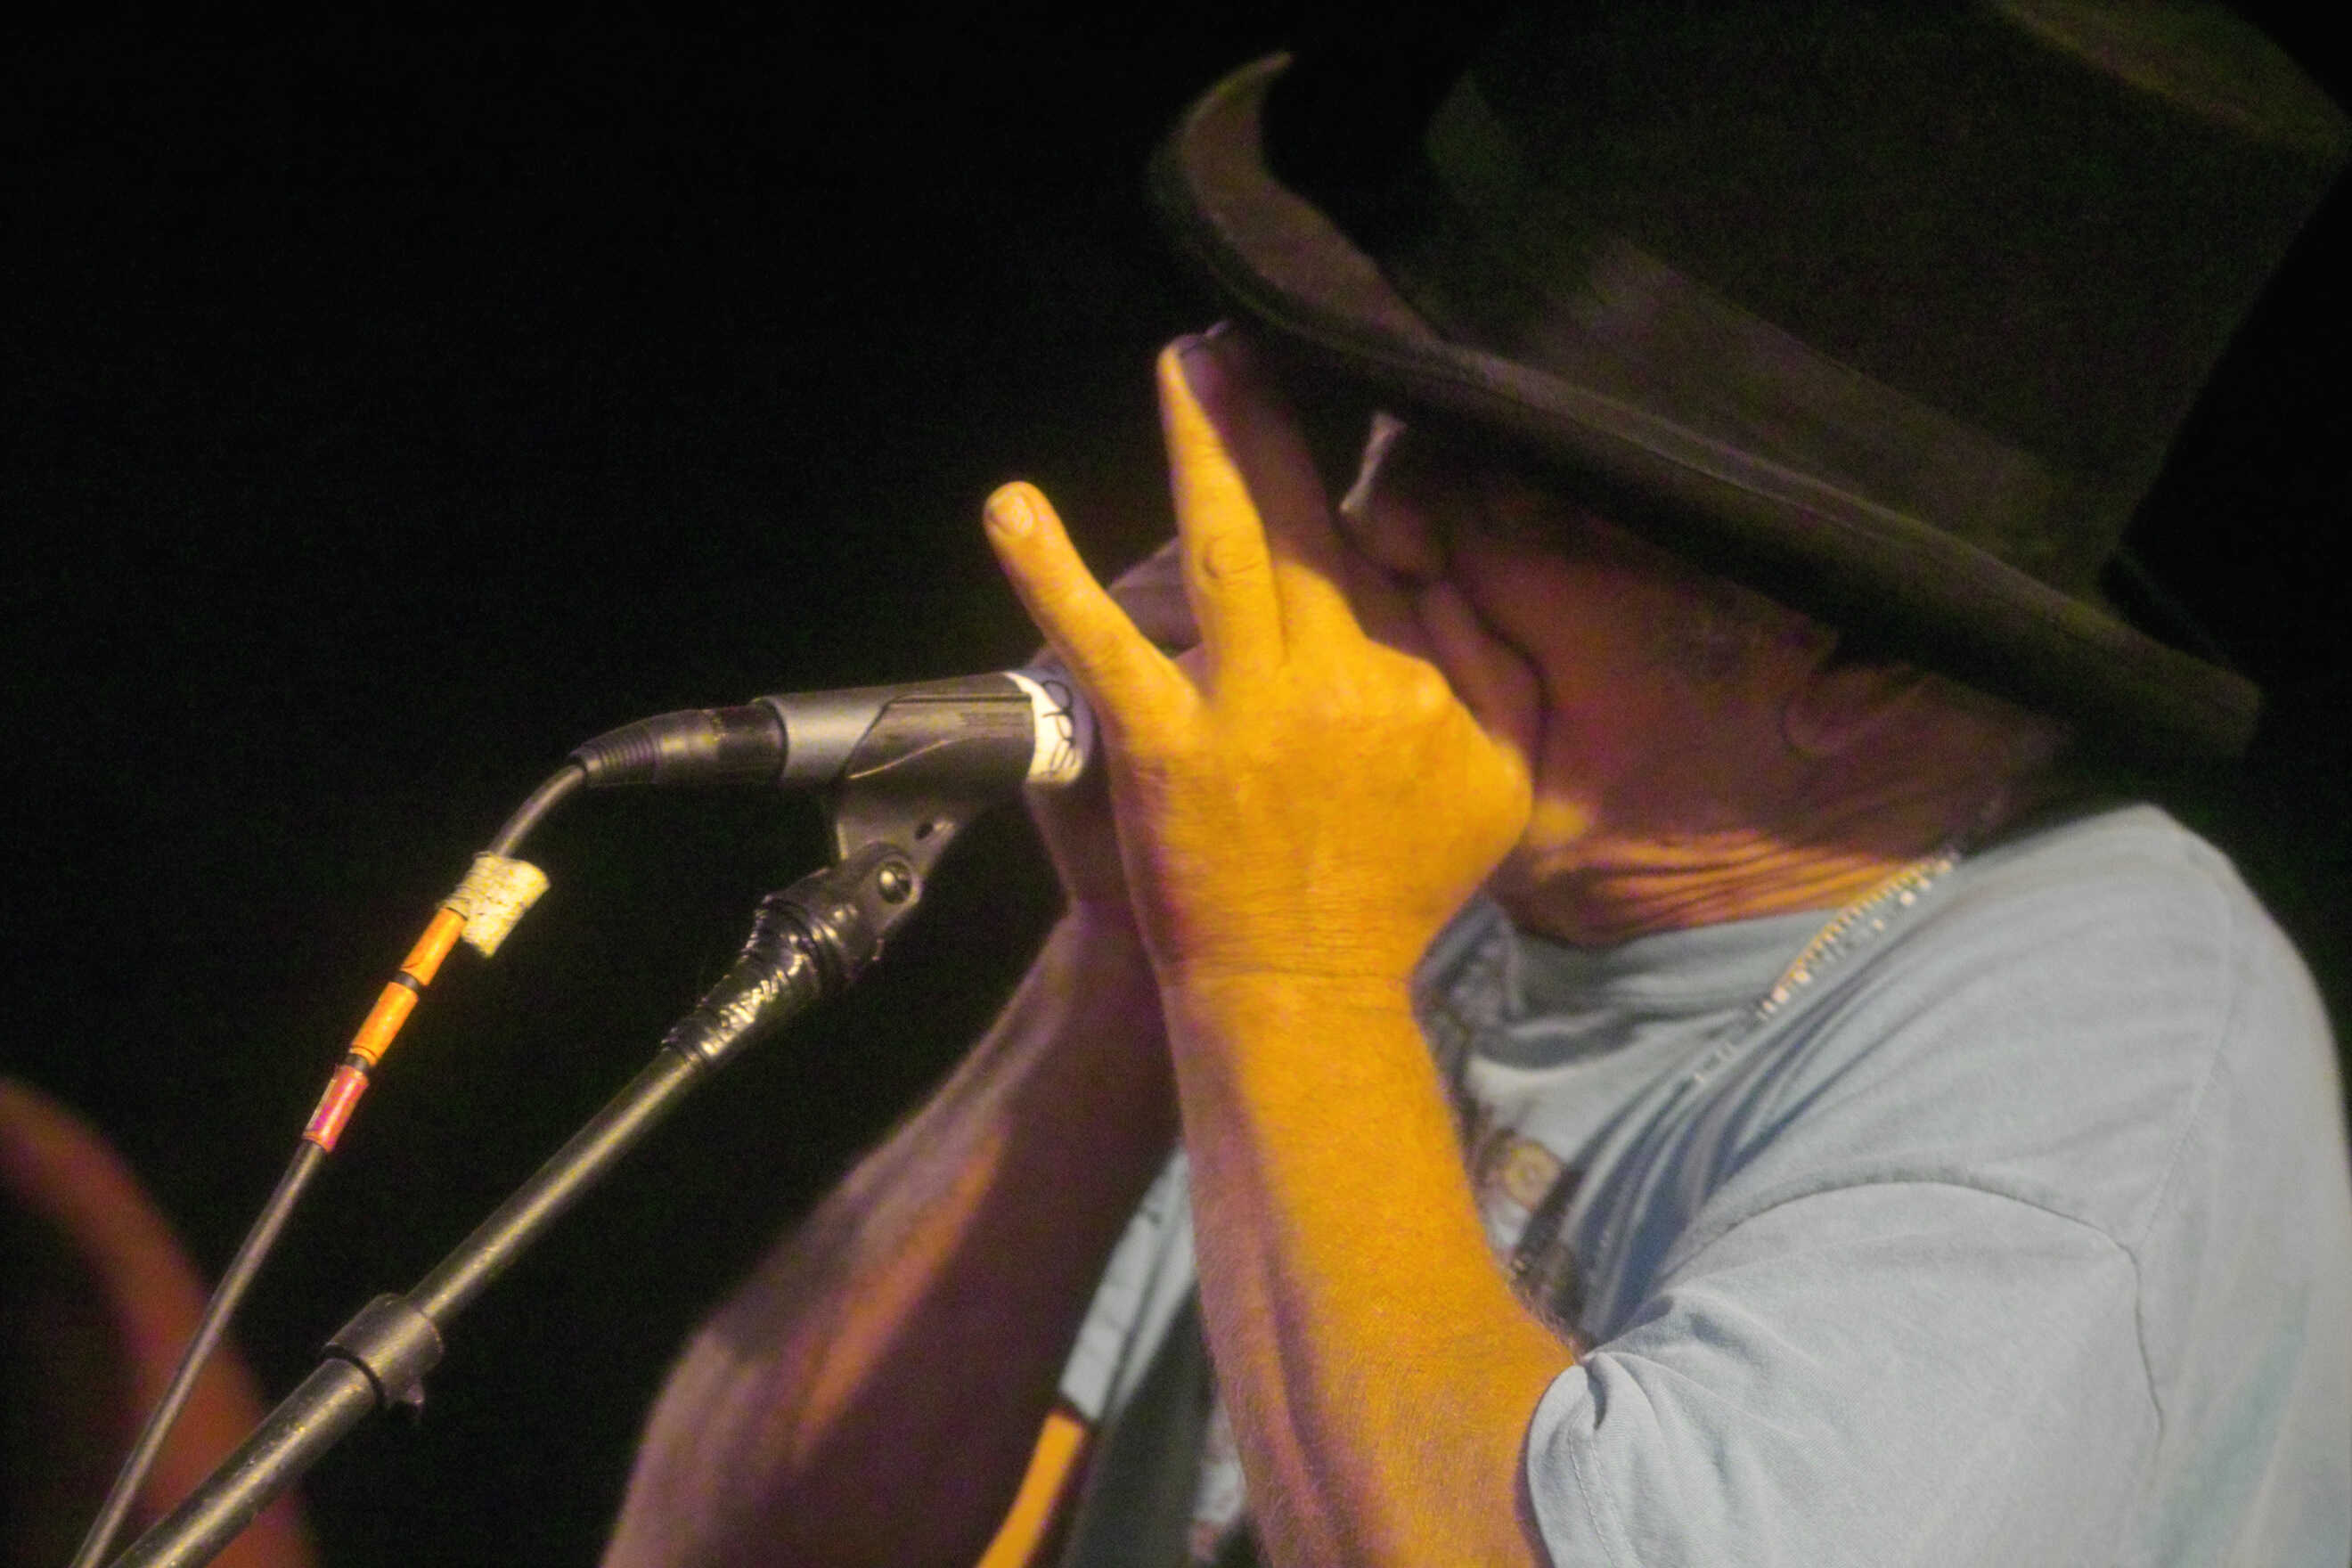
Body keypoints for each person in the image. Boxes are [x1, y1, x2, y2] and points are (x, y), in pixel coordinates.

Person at [602, 5, 2352, 1564]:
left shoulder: (2112, 1035)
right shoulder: (1416, 857)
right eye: (1396, 422)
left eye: (1522, 492)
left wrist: (1284, 962)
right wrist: (1131, 954)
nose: (1380, 527)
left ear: (1861, 664)